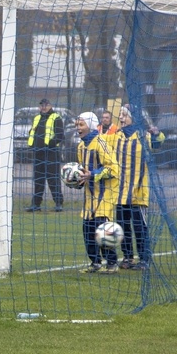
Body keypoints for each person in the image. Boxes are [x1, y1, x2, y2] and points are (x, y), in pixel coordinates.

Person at [111, 104, 164, 271]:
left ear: (133, 118)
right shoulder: (117, 136)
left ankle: (144, 259)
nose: (121, 118)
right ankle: (127, 257)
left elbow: (158, 142)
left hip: (138, 193)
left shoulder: (143, 136)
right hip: (119, 193)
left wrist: (156, 133)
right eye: (120, 115)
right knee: (122, 226)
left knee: (140, 228)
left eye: (125, 115)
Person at [74, 111, 120, 273]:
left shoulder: (101, 143)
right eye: (76, 125)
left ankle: (112, 263)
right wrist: (77, 180)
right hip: (89, 198)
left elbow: (113, 168)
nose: (78, 128)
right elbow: (83, 171)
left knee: (102, 231)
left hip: (104, 196)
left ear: (91, 125)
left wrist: (93, 175)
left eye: (81, 125)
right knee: (87, 231)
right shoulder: (81, 146)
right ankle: (95, 263)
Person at [25, 98, 64, 212]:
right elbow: (32, 132)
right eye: (41, 105)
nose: (43, 107)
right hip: (38, 153)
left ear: (50, 106)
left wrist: (49, 144)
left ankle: (58, 203)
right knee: (38, 180)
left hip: (51, 153)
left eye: (46, 105)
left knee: (53, 179)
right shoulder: (36, 118)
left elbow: (60, 135)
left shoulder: (56, 117)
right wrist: (33, 144)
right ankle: (36, 204)